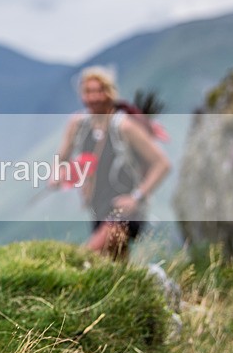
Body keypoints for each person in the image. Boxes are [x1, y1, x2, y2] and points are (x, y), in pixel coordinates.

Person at [53, 66, 171, 261]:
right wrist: (58, 176)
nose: (93, 97)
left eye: (99, 91)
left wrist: (136, 197)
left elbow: (162, 164)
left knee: (89, 255)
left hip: (127, 211)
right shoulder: (77, 125)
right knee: (114, 266)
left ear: (109, 93)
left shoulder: (124, 126)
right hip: (98, 207)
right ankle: (135, 289)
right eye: (88, 92)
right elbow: (62, 157)